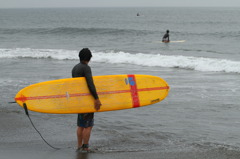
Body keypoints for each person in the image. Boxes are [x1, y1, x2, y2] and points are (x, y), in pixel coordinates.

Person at [72, 48, 102, 152]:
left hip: (79, 100)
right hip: (86, 101)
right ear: (89, 58)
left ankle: (79, 146)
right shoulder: (86, 68)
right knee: (88, 125)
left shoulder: (75, 68)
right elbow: (90, 84)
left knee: (80, 125)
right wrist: (96, 98)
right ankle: (85, 147)